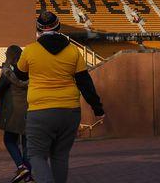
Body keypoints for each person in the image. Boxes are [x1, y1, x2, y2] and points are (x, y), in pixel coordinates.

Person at [16, 11, 104, 183]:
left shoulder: (30, 51)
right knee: (60, 156)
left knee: (36, 155)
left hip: (40, 111)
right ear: (59, 27)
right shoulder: (73, 51)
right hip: (69, 111)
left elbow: (20, 74)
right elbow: (85, 83)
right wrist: (98, 109)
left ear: (38, 30)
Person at [0, 45, 31, 183]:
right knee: (26, 144)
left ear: (9, 56)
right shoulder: (29, 71)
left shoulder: (8, 73)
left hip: (13, 112)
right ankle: (28, 177)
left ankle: (21, 167)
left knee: (9, 140)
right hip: (29, 109)